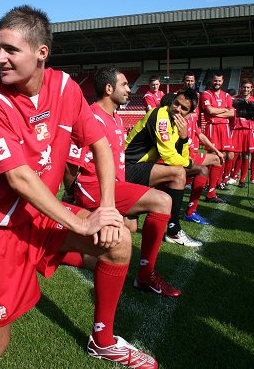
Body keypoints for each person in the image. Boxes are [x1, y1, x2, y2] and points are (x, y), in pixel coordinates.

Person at [0, 6, 158, 369]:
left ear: (41, 53)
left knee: (117, 241)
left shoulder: (65, 86)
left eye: (10, 50)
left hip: (39, 214)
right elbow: (19, 178)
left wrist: (108, 208)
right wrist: (82, 223)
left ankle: (102, 340)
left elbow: (99, 144)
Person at [65, 66, 181, 297]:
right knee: (162, 201)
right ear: (109, 88)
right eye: (125, 85)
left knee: (126, 233)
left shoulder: (116, 119)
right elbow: (70, 163)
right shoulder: (89, 117)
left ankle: (61, 252)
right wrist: (71, 193)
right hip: (93, 189)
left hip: (114, 187)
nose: (130, 89)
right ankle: (146, 276)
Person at [125, 87, 203, 247]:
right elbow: (170, 157)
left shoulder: (176, 124)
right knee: (178, 173)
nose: (177, 109)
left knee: (129, 227)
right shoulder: (160, 115)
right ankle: (174, 229)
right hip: (126, 167)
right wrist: (190, 164)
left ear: (189, 114)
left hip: (138, 169)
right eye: (176, 103)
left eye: (183, 108)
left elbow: (179, 155)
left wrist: (183, 138)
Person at [181, 72, 225, 224]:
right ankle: (190, 210)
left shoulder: (193, 116)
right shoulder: (180, 114)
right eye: (187, 80)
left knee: (218, 159)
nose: (190, 83)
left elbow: (200, 135)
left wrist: (217, 150)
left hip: (192, 150)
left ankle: (209, 192)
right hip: (183, 154)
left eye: (192, 81)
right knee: (200, 170)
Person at [201, 71, 235, 202]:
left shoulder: (226, 95)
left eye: (219, 81)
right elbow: (209, 111)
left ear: (223, 81)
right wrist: (224, 110)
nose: (217, 83)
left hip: (224, 128)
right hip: (213, 128)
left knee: (226, 156)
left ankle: (213, 185)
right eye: (215, 80)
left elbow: (232, 112)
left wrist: (217, 112)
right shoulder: (206, 94)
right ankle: (210, 189)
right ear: (211, 80)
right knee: (215, 157)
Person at [228, 79, 254, 188]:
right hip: (236, 130)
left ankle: (242, 180)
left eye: (248, 87)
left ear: (251, 89)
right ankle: (232, 176)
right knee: (233, 154)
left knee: (245, 155)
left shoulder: (253, 100)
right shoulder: (234, 99)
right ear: (240, 87)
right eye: (244, 87)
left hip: (249, 130)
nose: (246, 89)